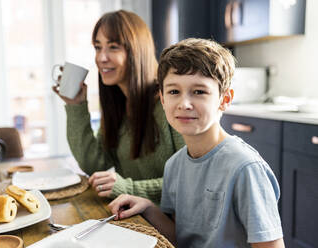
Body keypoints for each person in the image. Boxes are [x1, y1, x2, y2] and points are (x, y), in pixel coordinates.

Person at [108, 38, 285, 248]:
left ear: (225, 99)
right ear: (163, 100)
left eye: (199, 92)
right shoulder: (174, 165)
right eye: (174, 92)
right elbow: (179, 237)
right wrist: (147, 207)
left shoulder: (245, 168)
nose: (184, 104)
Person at [53, 10, 184, 203]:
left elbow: (193, 180)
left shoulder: (170, 102)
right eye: (98, 48)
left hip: (169, 224)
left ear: (137, 50)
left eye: (113, 47)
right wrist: (76, 106)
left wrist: (129, 188)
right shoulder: (119, 103)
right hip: (134, 216)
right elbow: (95, 164)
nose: (101, 58)